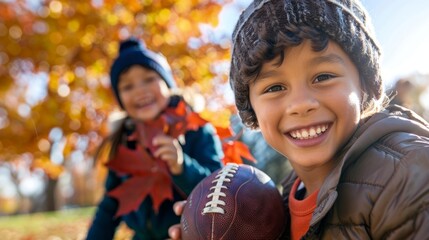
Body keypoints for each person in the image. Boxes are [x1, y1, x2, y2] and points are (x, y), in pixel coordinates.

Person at [168, 0, 429, 239]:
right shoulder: (280, 202)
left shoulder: (408, 176)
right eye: (274, 88)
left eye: (323, 77)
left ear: (364, 86)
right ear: (252, 110)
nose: (301, 104)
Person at [86, 37, 223, 240]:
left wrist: (181, 166)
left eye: (149, 79)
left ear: (167, 84)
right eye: (127, 87)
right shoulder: (125, 144)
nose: (140, 90)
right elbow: (109, 208)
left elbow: (218, 190)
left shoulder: (195, 131)